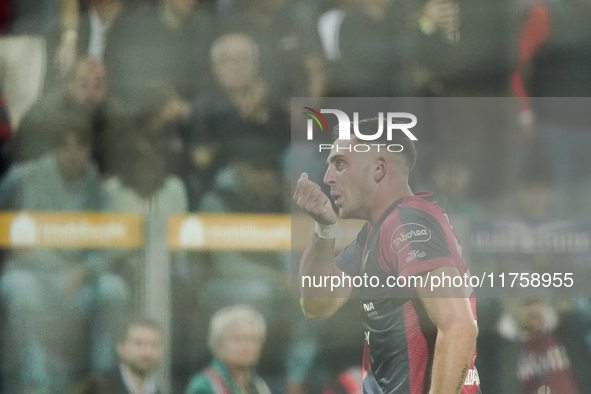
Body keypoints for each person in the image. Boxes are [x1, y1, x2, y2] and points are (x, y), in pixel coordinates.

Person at [293, 117, 480, 393]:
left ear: (379, 168)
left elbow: (459, 328)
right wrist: (324, 227)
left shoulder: (405, 222)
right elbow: (317, 304)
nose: (327, 177)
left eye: (340, 163)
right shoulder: (377, 231)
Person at [185, 305, 271, 394]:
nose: (246, 346)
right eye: (238, 339)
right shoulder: (205, 386)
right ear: (218, 344)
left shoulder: (259, 386)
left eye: (253, 339)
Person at [70, 316, 164, 394]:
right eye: (138, 344)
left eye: (154, 345)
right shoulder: (96, 387)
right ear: (120, 348)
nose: (147, 352)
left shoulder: (154, 391)